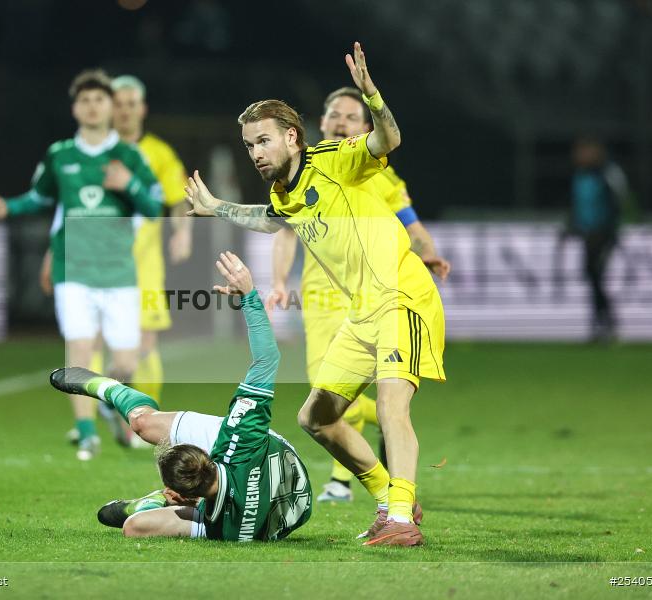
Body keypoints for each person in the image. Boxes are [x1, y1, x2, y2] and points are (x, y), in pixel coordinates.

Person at [186, 43, 445, 546]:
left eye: (263, 141)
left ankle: (400, 521)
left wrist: (371, 96)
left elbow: (388, 137)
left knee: (392, 408)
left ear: (290, 136)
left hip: (401, 297)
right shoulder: (283, 190)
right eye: (248, 146)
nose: (256, 153)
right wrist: (217, 206)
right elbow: (271, 219)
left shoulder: (335, 159)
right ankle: (391, 497)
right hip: (363, 312)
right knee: (316, 418)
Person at [49, 252, 312, 541]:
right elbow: (267, 358)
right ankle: (105, 386)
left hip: (279, 510)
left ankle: (154, 499)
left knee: (134, 521)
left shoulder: (223, 528)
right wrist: (248, 293)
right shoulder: (242, 437)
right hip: (291, 496)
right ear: (207, 454)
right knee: (143, 435)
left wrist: (164, 500)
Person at [267, 86, 449, 504]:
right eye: (334, 115)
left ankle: (352, 483)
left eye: (351, 118)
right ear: (321, 121)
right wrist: (279, 281)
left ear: (363, 126)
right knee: (325, 396)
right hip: (321, 296)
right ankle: (383, 459)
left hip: (372, 295)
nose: (340, 122)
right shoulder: (298, 177)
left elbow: (411, 224)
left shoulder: (373, 172)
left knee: (361, 399)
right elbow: (282, 230)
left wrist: (429, 252)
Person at [0, 69, 163, 461]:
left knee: (125, 362)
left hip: (118, 270)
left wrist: (128, 184)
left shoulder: (129, 156)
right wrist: (7, 207)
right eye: (85, 100)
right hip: (74, 269)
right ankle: (87, 435)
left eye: (100, 100)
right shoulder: (60, 154)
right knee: (79, 353)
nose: (92, 106)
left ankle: (109, 405)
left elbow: (154, 208)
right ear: (75, 108)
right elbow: (38, 197)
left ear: (111, 108)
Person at [42, 75, 192, 436]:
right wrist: (53, 252)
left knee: (143, 344)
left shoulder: (157, 152)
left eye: (130, 104)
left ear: (142, 109)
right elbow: (68, 210)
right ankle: (89, 420)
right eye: (118, 104)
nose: (123, 111)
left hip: (142, 263)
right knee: (87, 341)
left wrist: (184, 232)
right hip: (89, 261)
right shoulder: (90, 153)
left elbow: (175, 196)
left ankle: (140, 421)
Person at [569, 137, 627, 343]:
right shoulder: (579, 176)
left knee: (596, 275)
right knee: (592, 277)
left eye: (584, 151)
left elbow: (620, 204)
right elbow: (578, 206)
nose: (580, 156)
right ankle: (600, 324)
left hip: (604, 235)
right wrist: (573, 227)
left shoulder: (607, 173)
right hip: (588, 236)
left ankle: (607, 323)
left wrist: (609, 231)